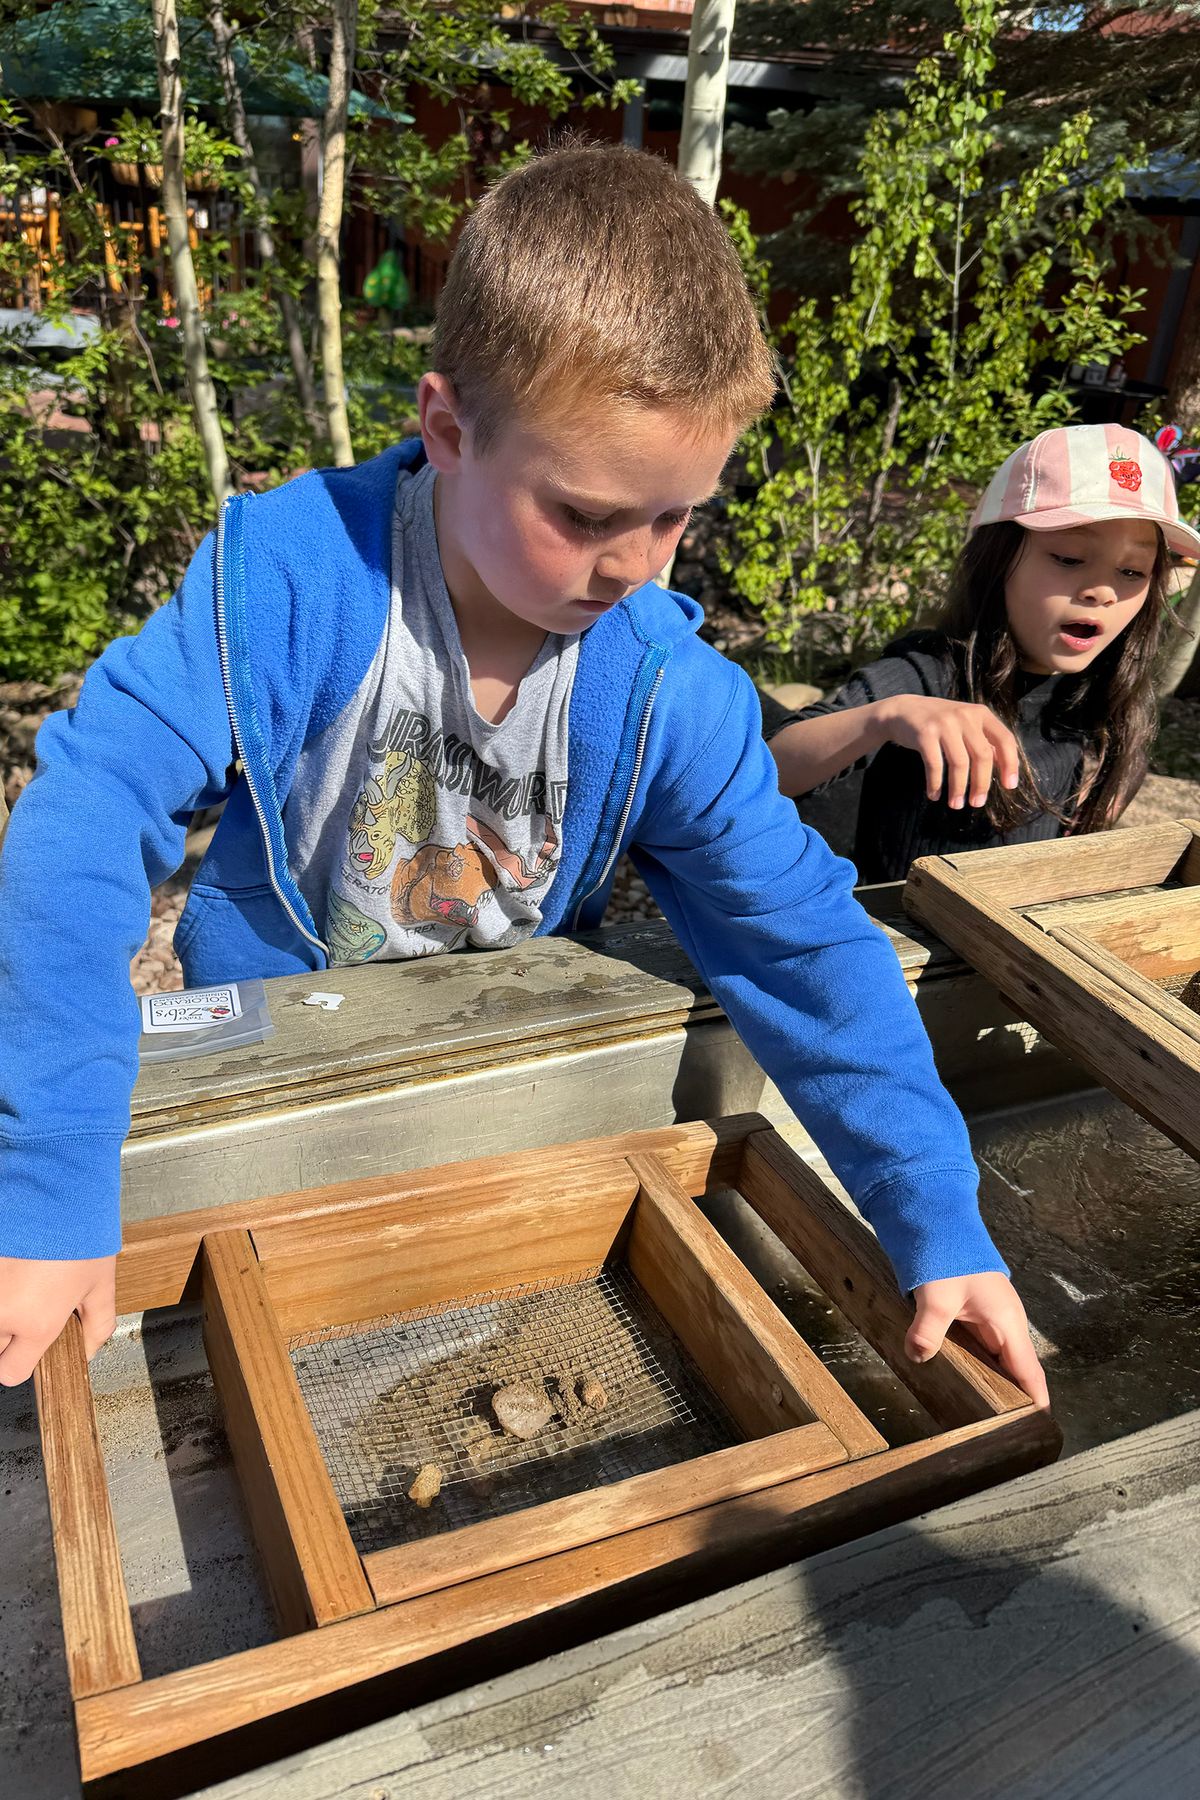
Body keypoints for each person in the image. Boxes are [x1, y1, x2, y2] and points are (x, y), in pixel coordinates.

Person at [0, 143, 1047, 1407]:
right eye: (587, 515)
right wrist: (50, 1181)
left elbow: (803, 942)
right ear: (448, 428)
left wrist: (935, 1215)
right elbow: (82, 819)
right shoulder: (287, 580)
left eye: (675, 515)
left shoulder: (667, 692)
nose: (636, 565)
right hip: (271, 1080)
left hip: (495, 1086)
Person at [763, 425, 1200, 884]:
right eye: (1070, 558)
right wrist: (886, 717)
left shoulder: (1104, 697)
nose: (1103, 591)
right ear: (997, 557)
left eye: (1132, 571)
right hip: (902, 923)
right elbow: (771, 769)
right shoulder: (929, 672)